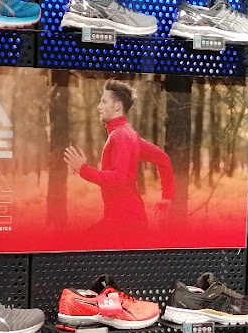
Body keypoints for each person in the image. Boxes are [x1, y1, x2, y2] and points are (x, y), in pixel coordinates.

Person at [63, 81, 175, 231]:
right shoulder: (129, 133)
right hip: (126, 220)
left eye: (104, 101)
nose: (99, 106)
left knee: (79, 243)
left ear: (117, 106)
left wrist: (84, 170)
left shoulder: (120, 135)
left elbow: (118, 178)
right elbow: (163, 159)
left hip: (124, 224)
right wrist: (167, 197)